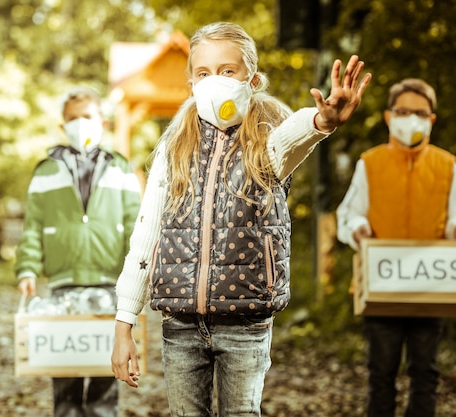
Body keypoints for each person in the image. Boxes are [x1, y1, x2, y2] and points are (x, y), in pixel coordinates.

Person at [110, 21, 371, 416]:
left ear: (252, 78)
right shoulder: (174, 148)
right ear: (192, 83)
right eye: (204, 72)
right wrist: (124, 322)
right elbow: (146, 235)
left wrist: (323, 121)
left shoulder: (265, 143)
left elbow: (295, 136)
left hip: (245, 326)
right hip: (180, 325)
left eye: (227, 70)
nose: (215, 80)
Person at [14, 86, 141, 417]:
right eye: (72, 119)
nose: (80, 124)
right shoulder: (45, 171)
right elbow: (32, 227)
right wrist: (27, 269)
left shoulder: (121, 168)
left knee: (106, 370)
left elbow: (134, 226)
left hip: (108, 283)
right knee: (66, 372)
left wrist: (137, 273)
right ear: (62, 125)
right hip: (63, 283)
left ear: (103, 122)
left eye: (87, 117)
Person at [336, 78, 452, 417]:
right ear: (389, 117)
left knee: (426, 374)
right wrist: (359, 230)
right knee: (381, 374)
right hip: (381, 290)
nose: (410, 118)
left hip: (430, 290)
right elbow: (349, 214)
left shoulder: (448, 166)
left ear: (431, 119)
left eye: (419, 112)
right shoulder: (370, 163)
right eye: (402, 111)